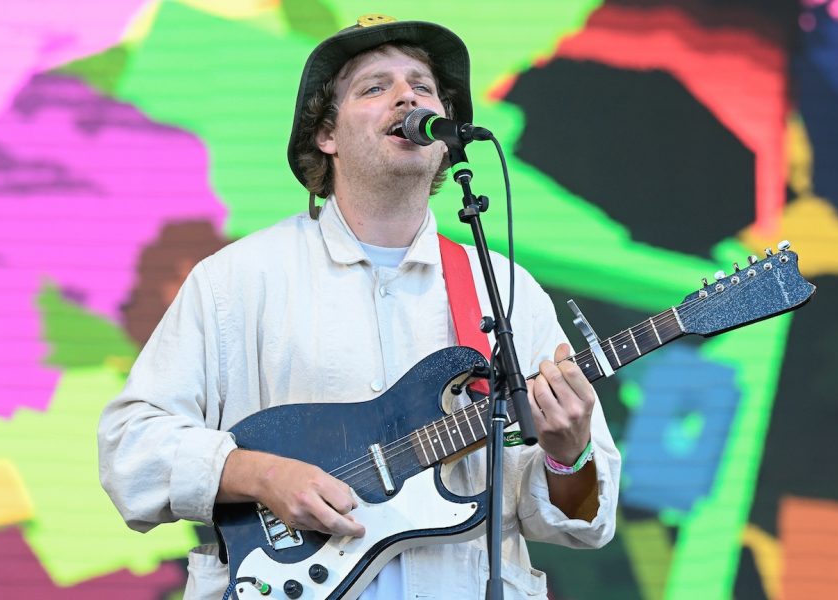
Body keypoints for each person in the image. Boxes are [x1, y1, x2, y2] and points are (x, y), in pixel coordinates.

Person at [98, 14, 620, 600]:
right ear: (326, 135)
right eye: (376, 87)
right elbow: (130, 446)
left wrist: (570, 455)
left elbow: (584, 522)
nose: (408, 97)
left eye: (423, 88)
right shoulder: (238, 279)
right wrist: (261, 474)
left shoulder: (503, 287)